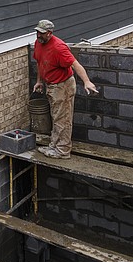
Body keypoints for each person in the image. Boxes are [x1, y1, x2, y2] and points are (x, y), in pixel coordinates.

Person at [32, 19, 98, 159]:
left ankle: (62, 151)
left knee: (63, 119)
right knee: (56, 117)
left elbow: (75, 64)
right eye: (37, 32)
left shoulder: (59, 47)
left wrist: (86, 81)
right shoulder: (39, 43)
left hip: (63, 86)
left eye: (41, 33)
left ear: (49, 33)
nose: (38, 35)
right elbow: (40, 63)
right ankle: (54, 145)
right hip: (51, 85)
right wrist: (39, 81)